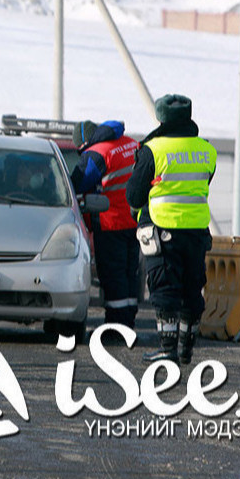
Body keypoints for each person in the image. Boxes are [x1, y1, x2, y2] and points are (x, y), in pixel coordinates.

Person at [126, 94, 216, 365]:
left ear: (161, 117)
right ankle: (186, 348)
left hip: (164, 228)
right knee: (192, 288)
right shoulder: (207, 150)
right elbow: (204, 181)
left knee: (165, 288)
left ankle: (167, 348)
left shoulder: (154, 149)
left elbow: (134, 195)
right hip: (197, 230)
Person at [71, 119, 141, 328]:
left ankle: (116, 327)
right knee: (130, 274)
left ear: (84, 143)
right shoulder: (130, 143)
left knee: (113, 275)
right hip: (133, 221)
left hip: (111, 223)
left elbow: (76, 184)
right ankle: (128, 321)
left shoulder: (97, 154)